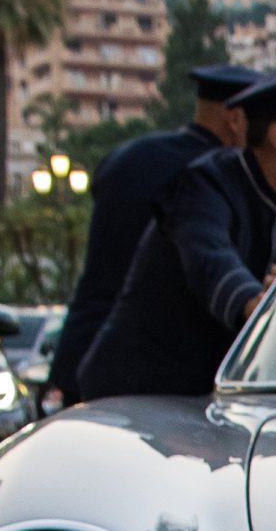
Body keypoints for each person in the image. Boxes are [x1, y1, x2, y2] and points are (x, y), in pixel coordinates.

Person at [78, 59, 276, 402]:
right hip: (134, 400)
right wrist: (271, 296)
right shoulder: (204, 185)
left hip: (212, 400)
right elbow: (212, 263)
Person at [47, 62, 259, 398]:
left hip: (84, 349)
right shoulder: (219, 178)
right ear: (235, 120)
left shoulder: (127, 157)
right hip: (164, 371)